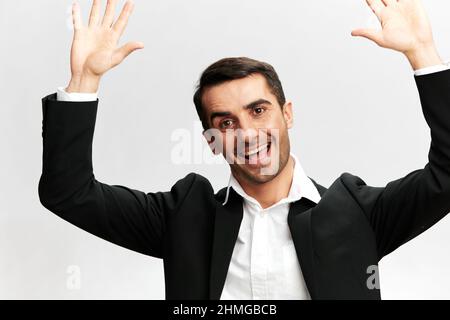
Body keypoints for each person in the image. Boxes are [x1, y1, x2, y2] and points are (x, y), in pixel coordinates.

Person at [39, 0, 450, 299]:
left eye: (258, 110)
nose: (248, 133)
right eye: (226, 122)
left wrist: (423, 54)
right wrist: (84, 80)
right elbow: (69, 193)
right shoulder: (183, 217)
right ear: (211, 142)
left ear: (287, 114)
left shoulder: (359, 213)